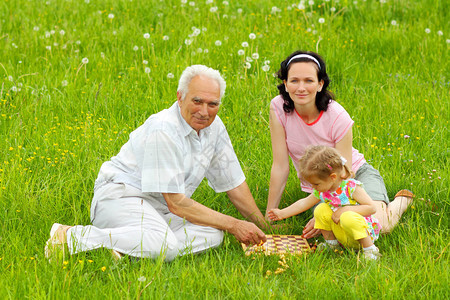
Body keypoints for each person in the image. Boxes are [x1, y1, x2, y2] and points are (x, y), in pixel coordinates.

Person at [45, 65, 267, 262]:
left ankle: (126, 250)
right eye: (197, 101)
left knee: (213, 234)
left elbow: (233, 184)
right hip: (121, 198)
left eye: (213, 104)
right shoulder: (164, 129)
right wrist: (234, 224)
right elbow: (177, 204)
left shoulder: (215, 127)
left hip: (158, 210)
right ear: (180, 97)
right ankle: (70, 235)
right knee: (166, 244)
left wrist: (263, 226)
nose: (204, 111)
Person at [265, 50, 414, 238]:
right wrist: (269, 216)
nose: (301, 88)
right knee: (336, 229)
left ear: (320, 84)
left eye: (309, 81)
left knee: (379, 227)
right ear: (285, 84)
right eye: (294, 81)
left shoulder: (336, 115)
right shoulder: (278, 107)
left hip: (353, 176)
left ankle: (400, 202)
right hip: (322, 185)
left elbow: (346, 171)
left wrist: (338, 209)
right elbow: (280, 165)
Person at [268, 145, 382, 260]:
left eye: (316, 184)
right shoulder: (324, 191)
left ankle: (370, 250)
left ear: (332, 177)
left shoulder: (351, 187)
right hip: (342, 233)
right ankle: (332, 245)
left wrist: (344, 210)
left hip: (360, 234)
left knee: (347, 217)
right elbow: (304, 203)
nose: (313, 187)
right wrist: (282, 213)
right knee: (321, 209)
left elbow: (371, 208)